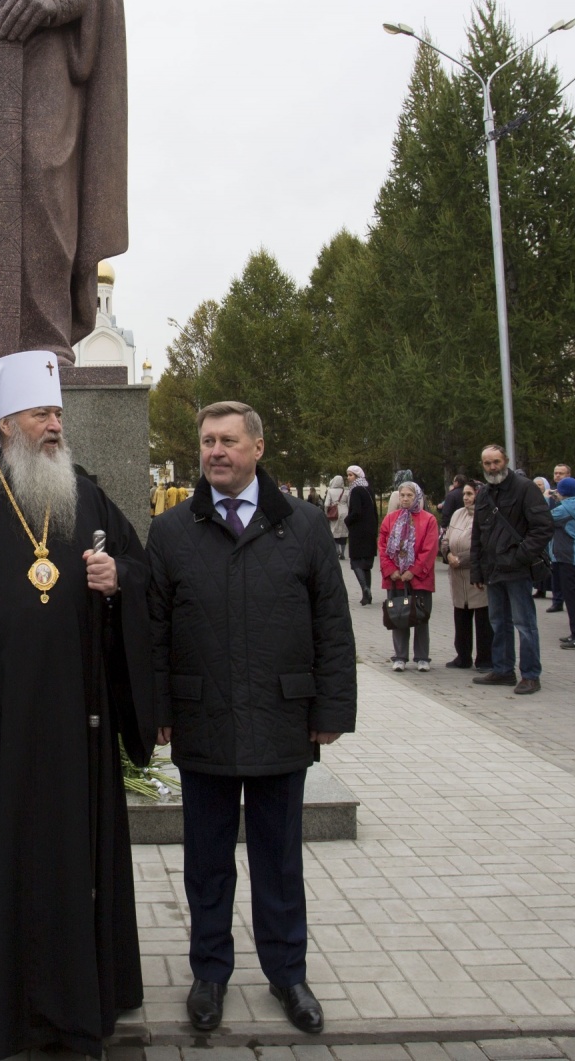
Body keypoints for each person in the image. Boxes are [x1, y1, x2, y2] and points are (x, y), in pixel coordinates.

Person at [0, 352, 154, 1059]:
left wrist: (118, 578)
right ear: (7, 422)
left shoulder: (89, 498)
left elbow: (143, 571)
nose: (55, 425)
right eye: (43, 413)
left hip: (77, 723)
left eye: (59, 414)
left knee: (75, 866)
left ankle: (76, 1007)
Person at [148, 400, 351, 1036]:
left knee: (278, 860)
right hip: (202, 717)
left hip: (282, 720)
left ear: (257, 448)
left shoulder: (307, 526)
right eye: (208, 441)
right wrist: (156, 709)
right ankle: (209, 974)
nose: (216, 452)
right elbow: (154, 631)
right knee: (206, 861)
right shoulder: (173, 530)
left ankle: (288, 975)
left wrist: (332, 710)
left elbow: (333, 627)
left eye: (229, 441)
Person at [470, 445, 552, 695]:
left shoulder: (525, 488)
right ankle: (503, 669)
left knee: (524, 624)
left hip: (517, 570)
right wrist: (477, 570)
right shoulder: (483, 494)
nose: (492, 467)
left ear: (505, 460)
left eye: (496, 461)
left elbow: (543, 527)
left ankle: (530, 674)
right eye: (487, 463)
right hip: (493, 571)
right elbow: (478, 535)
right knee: (498, 622)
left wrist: (519, 556)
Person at [376, 480, 438, 673]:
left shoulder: (428, 520)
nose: (405, 499)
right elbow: (383, 547)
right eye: (402, 495)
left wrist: (415, 570)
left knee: (421, 616)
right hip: (396, 580)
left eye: (409, 495)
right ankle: (400, 656)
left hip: (419, 578)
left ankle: (422, 657)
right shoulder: (390, 519)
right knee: (399, 616)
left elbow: (429, 549)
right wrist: (391, 570)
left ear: (417, 497)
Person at [442, 481, 491, 670]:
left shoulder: (486, 515)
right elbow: (445, 538)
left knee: (482, 620)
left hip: (476, 575)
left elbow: (484, 546)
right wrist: (447, 554)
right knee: (461, 617)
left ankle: (485, 659)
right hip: (457, 576)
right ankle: (462, 656)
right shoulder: (457, 514)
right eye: (464, 494)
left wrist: (461, 559)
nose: (466, 498)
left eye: (470, 494)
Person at [546, 478, 575, 650]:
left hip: (567, 555)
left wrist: (546, 498)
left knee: (572, 598)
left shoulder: (564, 510)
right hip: (574, 554)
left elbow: (545, 518)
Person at [344, 467, 377, 606]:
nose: (348, 478)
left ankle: (365, 589)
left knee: (356, 562)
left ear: (357, 476)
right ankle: (367, 595)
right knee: (366, 565)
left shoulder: (356, 490)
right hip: (370, 530)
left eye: (350, 475)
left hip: (358, 531)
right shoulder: (368, 489)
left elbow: (356, 512)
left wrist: (347, 520)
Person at [323, 469, 349, 559]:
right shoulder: (346, 491)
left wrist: (326, 513)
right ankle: (343, 553)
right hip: (345, 512)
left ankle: (337, 550)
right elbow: (349, 503)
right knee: (344, 533)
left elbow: (326, 504)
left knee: (334, 532)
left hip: (335, 513)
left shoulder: (330, 491)